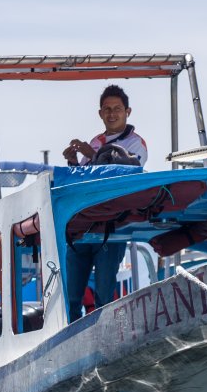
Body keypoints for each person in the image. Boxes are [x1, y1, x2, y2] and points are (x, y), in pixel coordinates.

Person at [63, 85, 147, 322]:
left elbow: (124, 174)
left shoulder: (136, 143)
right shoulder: (96, 141)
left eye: (117, 109)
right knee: (71, 297)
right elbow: (83, 181)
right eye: (107, 109)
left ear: (127, 111)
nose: (112, 113)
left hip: (112, 228)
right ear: (100, 113)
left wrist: (93, 155)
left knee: (104, 297)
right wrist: (73, 162)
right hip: (84, 229)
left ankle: (104, 340)